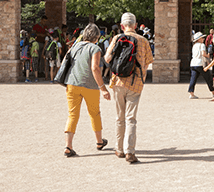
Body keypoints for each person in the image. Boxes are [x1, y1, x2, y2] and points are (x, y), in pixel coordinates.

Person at [104, 12, 154, 164]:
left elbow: (107, 58)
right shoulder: (143, 40)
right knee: (131, 118)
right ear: (136, 25)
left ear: (122, 26)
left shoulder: (116, 39)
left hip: (118, 82)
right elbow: (148, 62)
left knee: (120, 117)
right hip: (135, 83)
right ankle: (130, 152)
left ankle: (119, 149)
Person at [62, 23, 111, 158]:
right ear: (97, 36)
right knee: (94, 113)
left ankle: (68, 145)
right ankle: (99, 141)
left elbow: (65, 63)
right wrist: (103, 88)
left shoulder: (75, 46)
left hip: (72, 83)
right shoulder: (95, 48)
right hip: (89, 85)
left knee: (72, 114)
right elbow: (95, 68)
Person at [188, 31, 214, 98]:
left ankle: (191, 93)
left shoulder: (194, 46)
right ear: (199, 39)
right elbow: (203, 54)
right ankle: (213, 92)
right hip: (200, 64)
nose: (203, 39)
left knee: (193, 78)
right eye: (202, 38)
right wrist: (208, 55)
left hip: (193, 63)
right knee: (208, 78)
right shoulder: (202, 45)